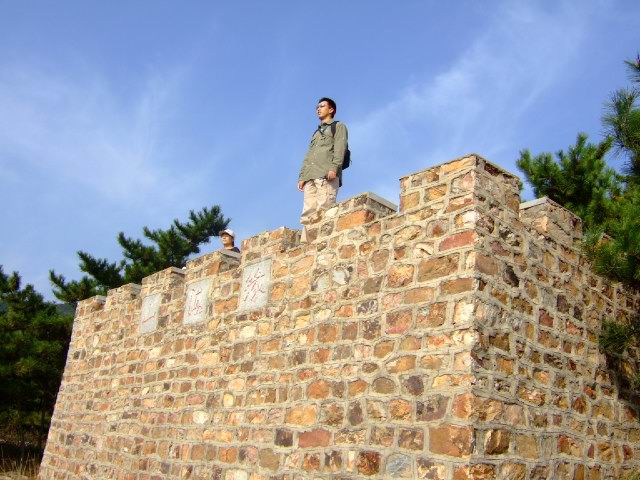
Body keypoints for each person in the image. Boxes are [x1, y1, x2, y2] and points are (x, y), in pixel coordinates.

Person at [298, 97, 348, 240]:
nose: (318, 109)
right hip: (310, 176)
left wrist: (334, 168)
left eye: (322, 106)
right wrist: (302, 176)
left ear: (331, 110)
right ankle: (307, 244)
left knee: (325, 209)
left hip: (326, 174)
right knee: (308, 213)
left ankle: (324, 242)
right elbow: (309, 154)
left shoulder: (338, 126)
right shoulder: (316, 133)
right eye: (317, 107)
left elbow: (340, 148)